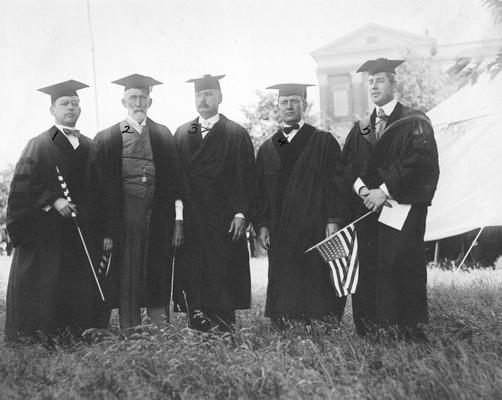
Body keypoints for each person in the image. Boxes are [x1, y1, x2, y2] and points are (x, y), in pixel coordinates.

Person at [335, 58, 439, 340]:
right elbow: (347, 168)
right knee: (369, 266)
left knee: (402, 264)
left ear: (394, 83)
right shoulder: (362, 128)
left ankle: (408, 330)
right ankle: (371, 330)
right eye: (370, 81)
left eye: (380, 80)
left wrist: (384, 190)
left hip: (401, 208)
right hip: (367, 211)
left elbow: (419, 162)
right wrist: (363, 191)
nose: (374, 86)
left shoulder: (414, 121)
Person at [5, 80, 112, 343]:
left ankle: (79, 335)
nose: (71, 108)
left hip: (84, 232)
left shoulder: (90, 146)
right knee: (49, 284)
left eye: (75, 103)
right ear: (52, 109)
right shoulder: (39, 144)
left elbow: (103, 193)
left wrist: (107, 229)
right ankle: (43, 338)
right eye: (65, 103)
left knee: (80, 284)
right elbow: (23, 187)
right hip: (49, 232)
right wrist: (53, 200)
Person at [94, 74, 185, 334]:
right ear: (123, 100)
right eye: (132, 97)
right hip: (125, 215)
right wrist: (107, 229)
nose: (138, 102)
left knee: (158, 268)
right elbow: (100, 190)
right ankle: (129, 330)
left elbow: (177, 182)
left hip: (158, 214)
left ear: (150, 101)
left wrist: (178, 220)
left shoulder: (163, 134)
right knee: (128, 272)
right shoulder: (109, 137)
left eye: (142, 97)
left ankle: (160, 331)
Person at [253, 83, 346, 329]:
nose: (289, 106)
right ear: (277, 108)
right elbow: (260, 191)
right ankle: (285, 321)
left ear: (305, 105)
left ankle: (320, 322)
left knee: (316, 274)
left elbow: (336, 184)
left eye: (294, 101)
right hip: (280, 228)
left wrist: (333, 219)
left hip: (314, 226)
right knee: (284, 274)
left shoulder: (323, 141)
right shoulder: (268, 147)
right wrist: (261, 224)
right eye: (284, 102)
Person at [173, 74, 255, 332]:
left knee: (223, 274)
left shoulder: (235, 133)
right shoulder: (183, 132)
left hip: (224, 219)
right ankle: (197, 329)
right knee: (195, 273)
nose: (203, 99)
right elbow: (175, 180)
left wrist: (241, 213)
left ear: (220, 97)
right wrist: (178, 218)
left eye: (208, 94)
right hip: (194, 218)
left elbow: (246, 176)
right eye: (198, 95)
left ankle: (225, 329)